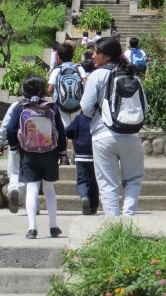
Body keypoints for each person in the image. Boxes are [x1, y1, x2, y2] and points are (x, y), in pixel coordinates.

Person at [80, 38, 147, 217]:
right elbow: (144, 107)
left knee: (108, 184)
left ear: (107, 56)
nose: (93, 56)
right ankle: (128, 222)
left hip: (103, 136)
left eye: (97, 52)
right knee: (133, 180)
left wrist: (99, 113)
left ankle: (113, 228)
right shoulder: (133, 75)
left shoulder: (97, 75)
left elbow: (86, 107)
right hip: (132, 136)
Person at [6, 75, 66, 239]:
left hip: (28, 154)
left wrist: (14, 146)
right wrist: (61, 152)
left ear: (24, 90)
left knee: (32, 189)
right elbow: (60, 130)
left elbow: (10, 129)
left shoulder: (20, 107)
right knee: (49, 189)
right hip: (50, 153)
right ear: (43, 90)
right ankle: (53, 226)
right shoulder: (52, 108)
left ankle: (32, 228)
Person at [47, 43, 88, 127]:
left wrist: (56, 98)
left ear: (58, 56)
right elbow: (87, 84)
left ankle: (65, 139)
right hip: (77, 103)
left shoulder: (57, 70)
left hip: (62, 104)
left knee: (64, 128)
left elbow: (50, 90)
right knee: (76, 128)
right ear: (73, 54)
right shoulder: (79, 68)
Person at [66, 114, 99, 215]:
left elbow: (68, 132)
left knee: (82, 179)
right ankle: (93, 206)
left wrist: (75, 136)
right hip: (96, 154)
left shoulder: (79, 118)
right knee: (94, 180)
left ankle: (84, 196)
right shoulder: (99, 117)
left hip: (81, 155)